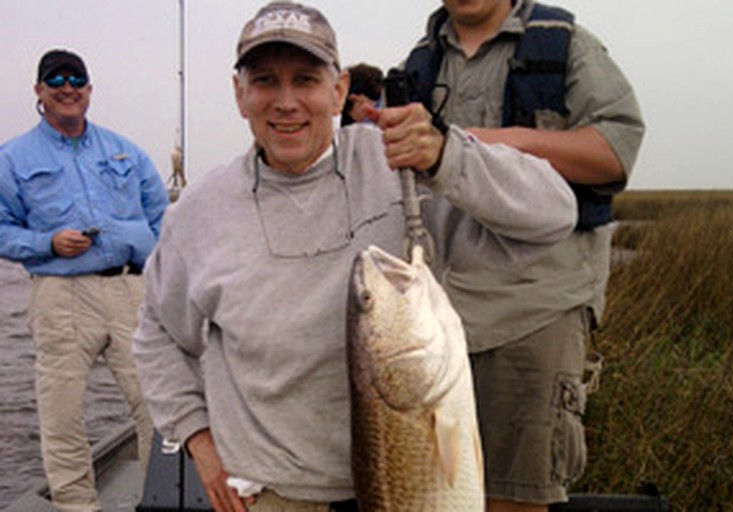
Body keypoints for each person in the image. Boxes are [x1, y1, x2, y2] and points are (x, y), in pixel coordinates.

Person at [132, 2, 578, 511]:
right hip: (271, 492)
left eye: (305, 80)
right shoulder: (198, 212)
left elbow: (554, 215)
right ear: (240, 94)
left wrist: (445, 154)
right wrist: (199, 441)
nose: (286, 102)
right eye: (264, 81)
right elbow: (157, 335)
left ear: (339, 89)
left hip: (409, 483)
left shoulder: (400, 167)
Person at [401, 1, 646, 510]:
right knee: (426, 493)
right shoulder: (420, 62)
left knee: (515, 499)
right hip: (439, 324)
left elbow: (615, 152)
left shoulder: (568, 47)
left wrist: (484, 143)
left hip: (535, 312)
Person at [0, 49, 168, 511]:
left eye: (77, 79)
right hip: (59, 296)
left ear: (89, 90)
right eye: (55, 79)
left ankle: (160, 494)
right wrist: (46, 244)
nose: (67, 87)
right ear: (39, 92)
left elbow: (163, 217)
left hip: (129, 290)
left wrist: (153, 269)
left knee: (158, 399)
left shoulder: (126, 150)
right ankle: (76, 506)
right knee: (62, 413)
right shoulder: (12, 158)